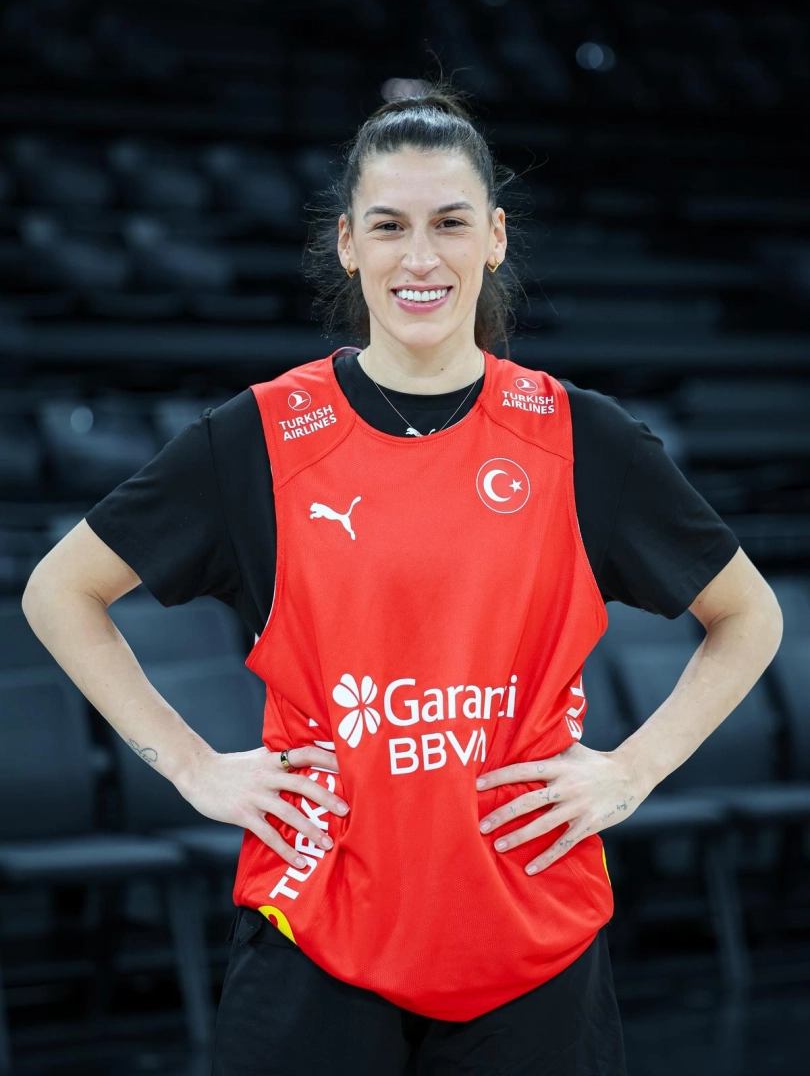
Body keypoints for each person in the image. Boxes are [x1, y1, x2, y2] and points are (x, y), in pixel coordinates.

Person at [21, 86, 783, 1076]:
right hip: (315, 933)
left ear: (495, 239)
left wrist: (633, 770)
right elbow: (59, 590)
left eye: (449, 223)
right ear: (348, 244)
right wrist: (191, 767)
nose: (420, 257)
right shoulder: (259, 436)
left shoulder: (580, 436)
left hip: (533, 939)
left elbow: (748, 614)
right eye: (389, 226)